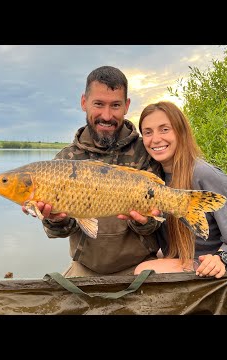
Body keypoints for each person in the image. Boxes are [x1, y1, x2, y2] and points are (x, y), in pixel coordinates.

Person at [22, 65, 163, 277]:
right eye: (98, 104)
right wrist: (55, 219)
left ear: (126, 106)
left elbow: (159, 223)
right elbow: (58, 232)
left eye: (115, 105)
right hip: (86, 268)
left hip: (142, 267)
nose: (106, 115)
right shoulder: (64, 160)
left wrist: (144, 221)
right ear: (84, 102)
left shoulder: (146, 152)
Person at [131, 101, 227, 279]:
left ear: (181, 132)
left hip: (220, 270)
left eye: (164, 129)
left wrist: (220, 259)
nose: (156, 139)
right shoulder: (154, 179)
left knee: (144, 271)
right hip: (184, 261)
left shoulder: (205, 174)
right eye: (148, 132)